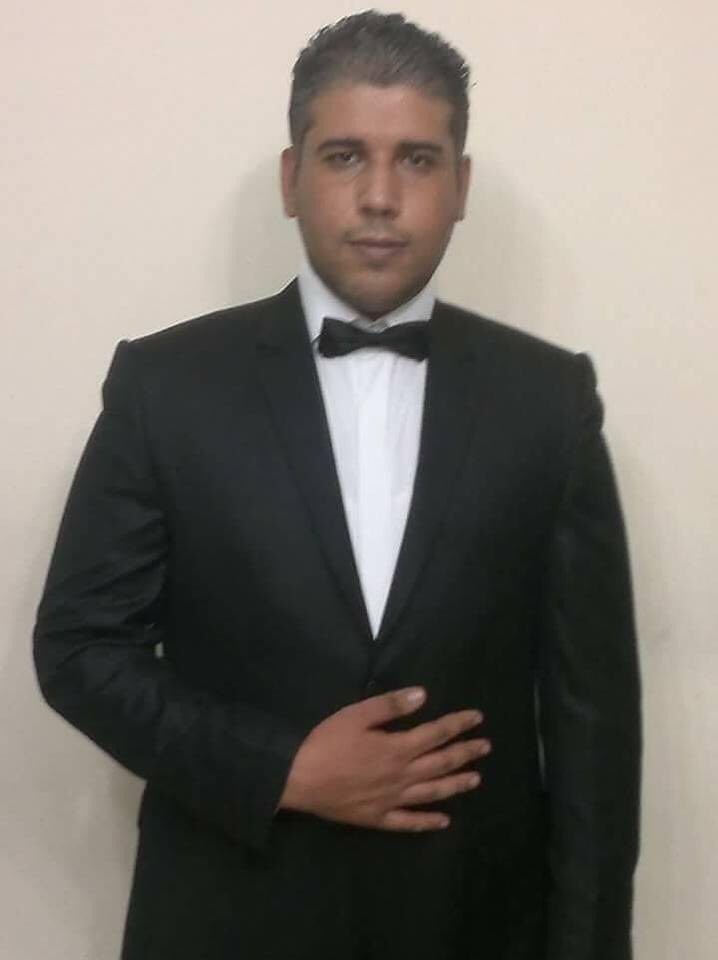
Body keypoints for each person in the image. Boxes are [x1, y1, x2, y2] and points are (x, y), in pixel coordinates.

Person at [33, 11, 641, 960]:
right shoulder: (166, 387)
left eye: (418, 160)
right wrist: (283, 769)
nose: (381, 198)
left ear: (461, 186)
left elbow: (594, 733)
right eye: (345, 156)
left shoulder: (549, 402)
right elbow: (78, 649)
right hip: (226, 922)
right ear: (292, 178)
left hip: (473, 929)